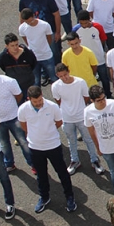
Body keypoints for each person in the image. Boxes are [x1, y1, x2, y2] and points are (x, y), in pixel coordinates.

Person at [18, 86, 76, 214]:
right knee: (41, 175)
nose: (38, 103)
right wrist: (34, 134)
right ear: (29, 99)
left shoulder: (52, 106)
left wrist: (48, 132)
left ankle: (70, 197)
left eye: (39, 100)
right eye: (35, 102)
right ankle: (44, 197)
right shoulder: (23, 109)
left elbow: (59, 122)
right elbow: (23, 124)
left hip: (53, 146)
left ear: (42, 95)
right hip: (35, 147)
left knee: (62, 173)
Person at [51, 63, 102, 175]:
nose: (64, 78)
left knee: (88, 139)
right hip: (66, 118)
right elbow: (58, 101)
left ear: (68, 71)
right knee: (71, 141)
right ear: (57, 75)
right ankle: (75, 160)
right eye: (61, 76)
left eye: (65, 74)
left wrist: (78, 108)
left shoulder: (80, 82)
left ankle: (94, 160)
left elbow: (86, 97)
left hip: (81, 117)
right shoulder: (55, 86)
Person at [19, 0, 62, 65]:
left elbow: (56, 15)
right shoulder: (24, 0)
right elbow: (22, 16)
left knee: (54, 51)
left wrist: (57, 32)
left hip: (49, 31)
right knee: (37, 53)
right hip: (33, 31)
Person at [74, 10, 111, 96]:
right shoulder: (76, 29)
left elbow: (103, 40)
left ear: (89, 19)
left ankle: (108, 94)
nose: (84, 25)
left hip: (98, 58)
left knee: (104, 78)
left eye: (86, 23)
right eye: (82, 23)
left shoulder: (98, 27)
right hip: (85, 60)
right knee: (89, 79)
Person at [19, 8, 55, 88]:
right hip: (33, 58)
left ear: (34, 16)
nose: (29, 23)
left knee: (54, 78)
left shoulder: (45, 25)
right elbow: (25, 39)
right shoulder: (22, 28)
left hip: (46, 56)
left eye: (30, 21)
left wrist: (44, 47)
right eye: (27, 22)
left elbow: (49, 39)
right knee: (36, 81)